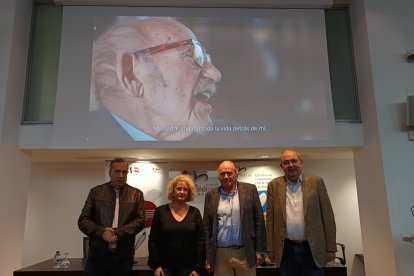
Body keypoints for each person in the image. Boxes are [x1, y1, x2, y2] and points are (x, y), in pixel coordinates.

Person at [91, 17, 239, 141]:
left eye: (206, 58)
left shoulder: (232, 136)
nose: (215, 74)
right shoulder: (89, 139)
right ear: (132, 75)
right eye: (193, 55)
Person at [266, 148, 337, 276]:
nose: (291, 165)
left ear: (301, 162)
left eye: (294, 161)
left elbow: (328, 216)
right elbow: (270, 220)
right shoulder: (274, 185)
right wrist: (270, 249)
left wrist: (331, 247)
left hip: (312, 248)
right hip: (285, 249)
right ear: (281, 166)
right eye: (286, 162)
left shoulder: (316, 182)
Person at [78, 158, 146, 276]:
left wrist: (116, 232)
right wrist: (102, 232)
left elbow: (140, 221)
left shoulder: (136, 194)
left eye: (124, 172)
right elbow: (83, 220)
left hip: (123, 257)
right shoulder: (96, 192)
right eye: (117, 171)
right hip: (97, 255)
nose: (121, 175)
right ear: (110, 173)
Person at [203, 160, 266, 276]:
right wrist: (208, 255)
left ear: (236, 174)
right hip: (219, 253)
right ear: (218, 176)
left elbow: (259, 221)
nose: (226, 176)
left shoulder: (250, 190)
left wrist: (260, 250)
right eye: (222, 174)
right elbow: (206, 228)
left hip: (245, 251)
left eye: (229, 173)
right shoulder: (211, 195)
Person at [148, 174, 205, 276]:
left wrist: (197, 268)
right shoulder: (160, 211)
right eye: (178, 188)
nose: (182, 192)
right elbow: (153, 240)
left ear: (189, 192)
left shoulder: (195, 212)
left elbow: (200, 242)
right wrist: (156, 266)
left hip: (189, 269)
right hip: (165, 268)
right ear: (172, 191)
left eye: (185, 189)